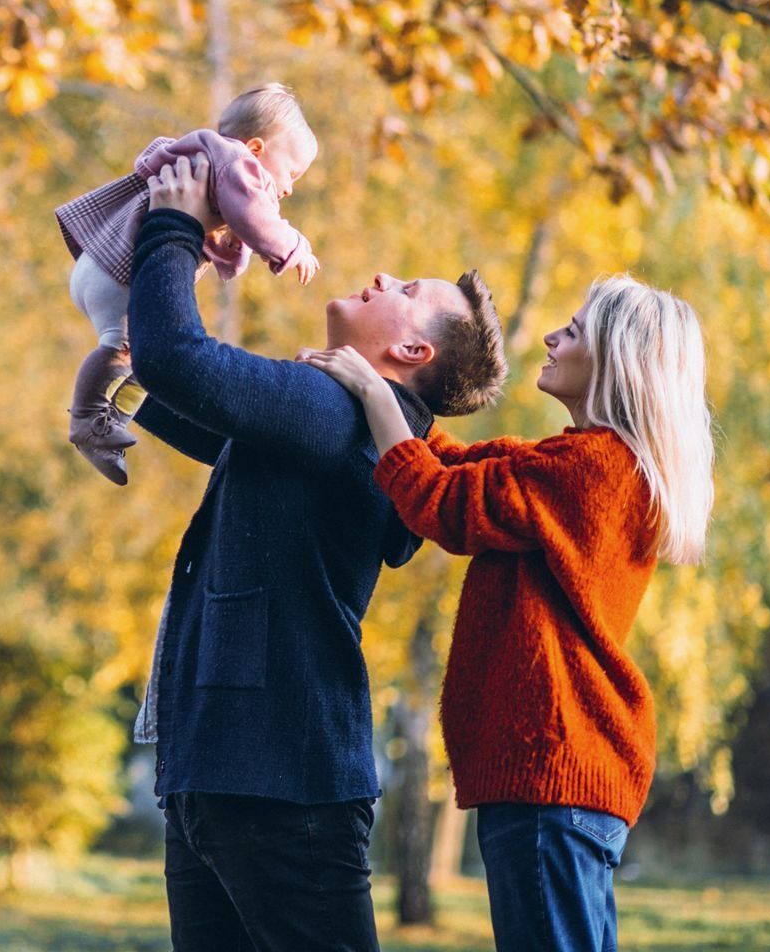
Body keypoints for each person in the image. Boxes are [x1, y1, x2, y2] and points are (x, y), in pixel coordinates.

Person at [129, 154, 506, 951]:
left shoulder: (334, 406)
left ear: (412, 356)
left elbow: (177, 360)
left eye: (407, 292)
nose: (382, 275)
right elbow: (170, 385)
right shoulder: (331, 416)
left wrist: (175, 223)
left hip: (279, 783)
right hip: (229, 775)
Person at [302, 274, 715, 952]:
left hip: (552, 775)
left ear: (618, 362)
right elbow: (465, 467)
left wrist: (376, 392)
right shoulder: (577, 462)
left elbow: (439, 500)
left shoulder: (594, 470)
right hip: (558, 782)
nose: (554, 337)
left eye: (574, 331)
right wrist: (390, 391)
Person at [53, 81, 321, 485]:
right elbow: (257, 221)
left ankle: (113, 423)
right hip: (118, 273)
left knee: (148, 361)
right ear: (256, 149)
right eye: (292, 172)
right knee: (123, 347)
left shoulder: (211, 164)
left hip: (100, 265)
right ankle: (88, 418)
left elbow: (232, 227)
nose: (290, 187)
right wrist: (293, 247)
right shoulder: (236, 164)